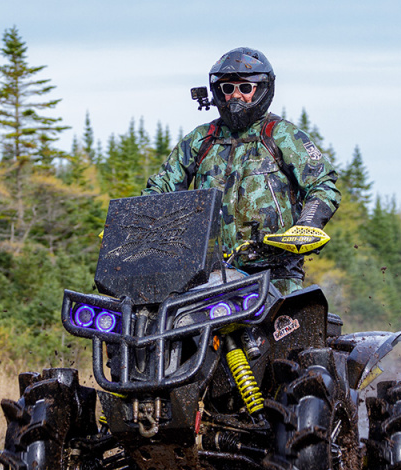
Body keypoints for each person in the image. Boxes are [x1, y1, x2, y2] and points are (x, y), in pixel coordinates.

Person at [143, 47, 340, 294]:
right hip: (206, 274)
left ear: (261, 89)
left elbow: (323, 185)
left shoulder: (282, 135)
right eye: (228, 89)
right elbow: (161, 188)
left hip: (274, 270)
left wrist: (307, 225)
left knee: (286, 327)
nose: (235, 96)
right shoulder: (201, 139)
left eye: (245, 88)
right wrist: (136, 224)